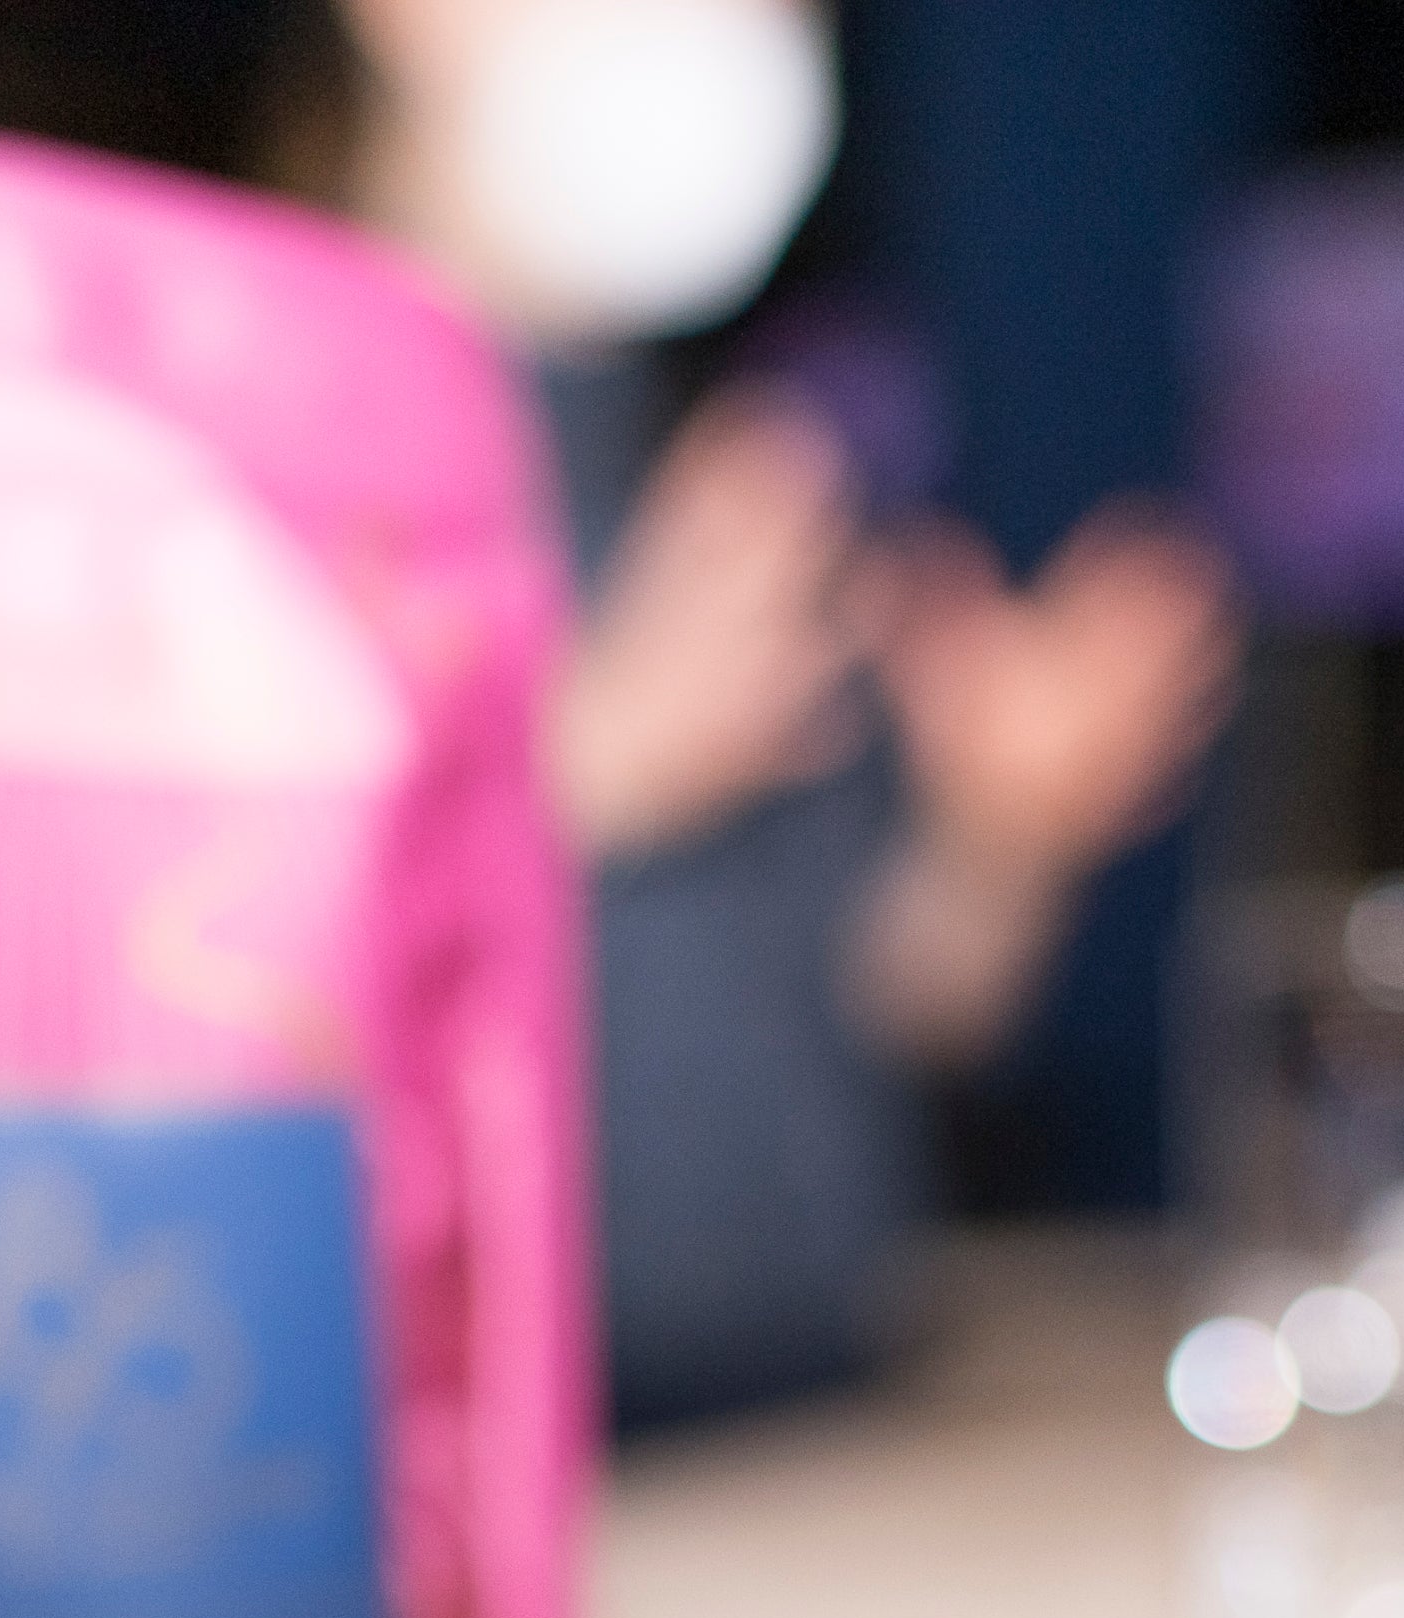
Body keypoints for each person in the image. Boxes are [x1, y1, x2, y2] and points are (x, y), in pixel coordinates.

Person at [327, 0, 1245, 1423]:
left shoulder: (715, 460)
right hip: (486, 1481)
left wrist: (1000, 833)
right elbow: (154, 988)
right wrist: (577, 773)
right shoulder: (242, 432)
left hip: (832, 1418)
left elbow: (899, 1002)